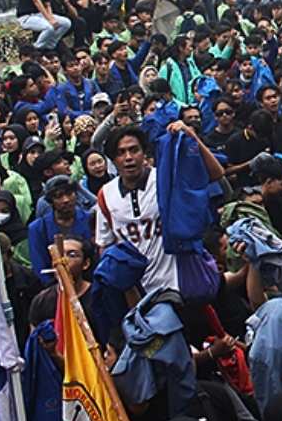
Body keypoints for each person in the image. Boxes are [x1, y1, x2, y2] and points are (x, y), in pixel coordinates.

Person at [95, 123, 224, 294]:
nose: (128, 157)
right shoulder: (106, 195)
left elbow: (216, 173)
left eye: (134, 150)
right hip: (136, 290)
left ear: (144, 153)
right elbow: (105, 245)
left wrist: (191, 137)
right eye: (120, 153)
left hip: (176, 282)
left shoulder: (166, 178)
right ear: (112, 160)